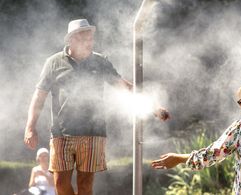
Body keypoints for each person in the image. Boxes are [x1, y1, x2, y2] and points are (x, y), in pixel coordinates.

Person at [24, 19, 170, 195]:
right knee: (60, 183)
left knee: (85, 184)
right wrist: (30, 127)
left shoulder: (100, 61)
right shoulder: (54, 62)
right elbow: (39, 96)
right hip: (60, 133)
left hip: (93, 132)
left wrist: (152, 106)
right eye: (84, 39)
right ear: (70, 40)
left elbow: (124, 86)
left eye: (90, 38)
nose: (89, 43)